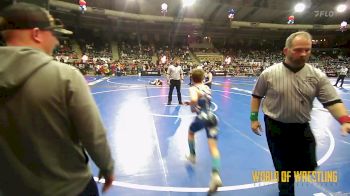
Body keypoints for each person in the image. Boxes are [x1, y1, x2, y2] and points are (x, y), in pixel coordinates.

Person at [0, 3, 115, 195]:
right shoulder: (65, 76)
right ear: (36, 34)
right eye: (52, 34)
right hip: (69, 187)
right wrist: (107, 166)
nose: (57, 42)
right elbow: (93, 134)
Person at [250, 31, 350, 196]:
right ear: (286, 51)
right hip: (275, 126)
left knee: (309, 163)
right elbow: (256, 96)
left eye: (307, 49)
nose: (303, 54)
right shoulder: (269, 74)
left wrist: (345, 120)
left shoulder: (317, 76)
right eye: (298, 49)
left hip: (301, 126)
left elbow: (332, 102)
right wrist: (253, 119)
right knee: (283, 167)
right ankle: (286, 190)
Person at [185, 68, 222, 194]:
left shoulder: (192, 88)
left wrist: (191, 106)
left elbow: (195, 101)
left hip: (202, 118)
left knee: (190, 132)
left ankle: (192, 155)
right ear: (202, 78)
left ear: (192, 78)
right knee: (213, 147)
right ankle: (216, 175)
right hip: (212, 118)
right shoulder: (207, 88)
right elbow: (204, 101)